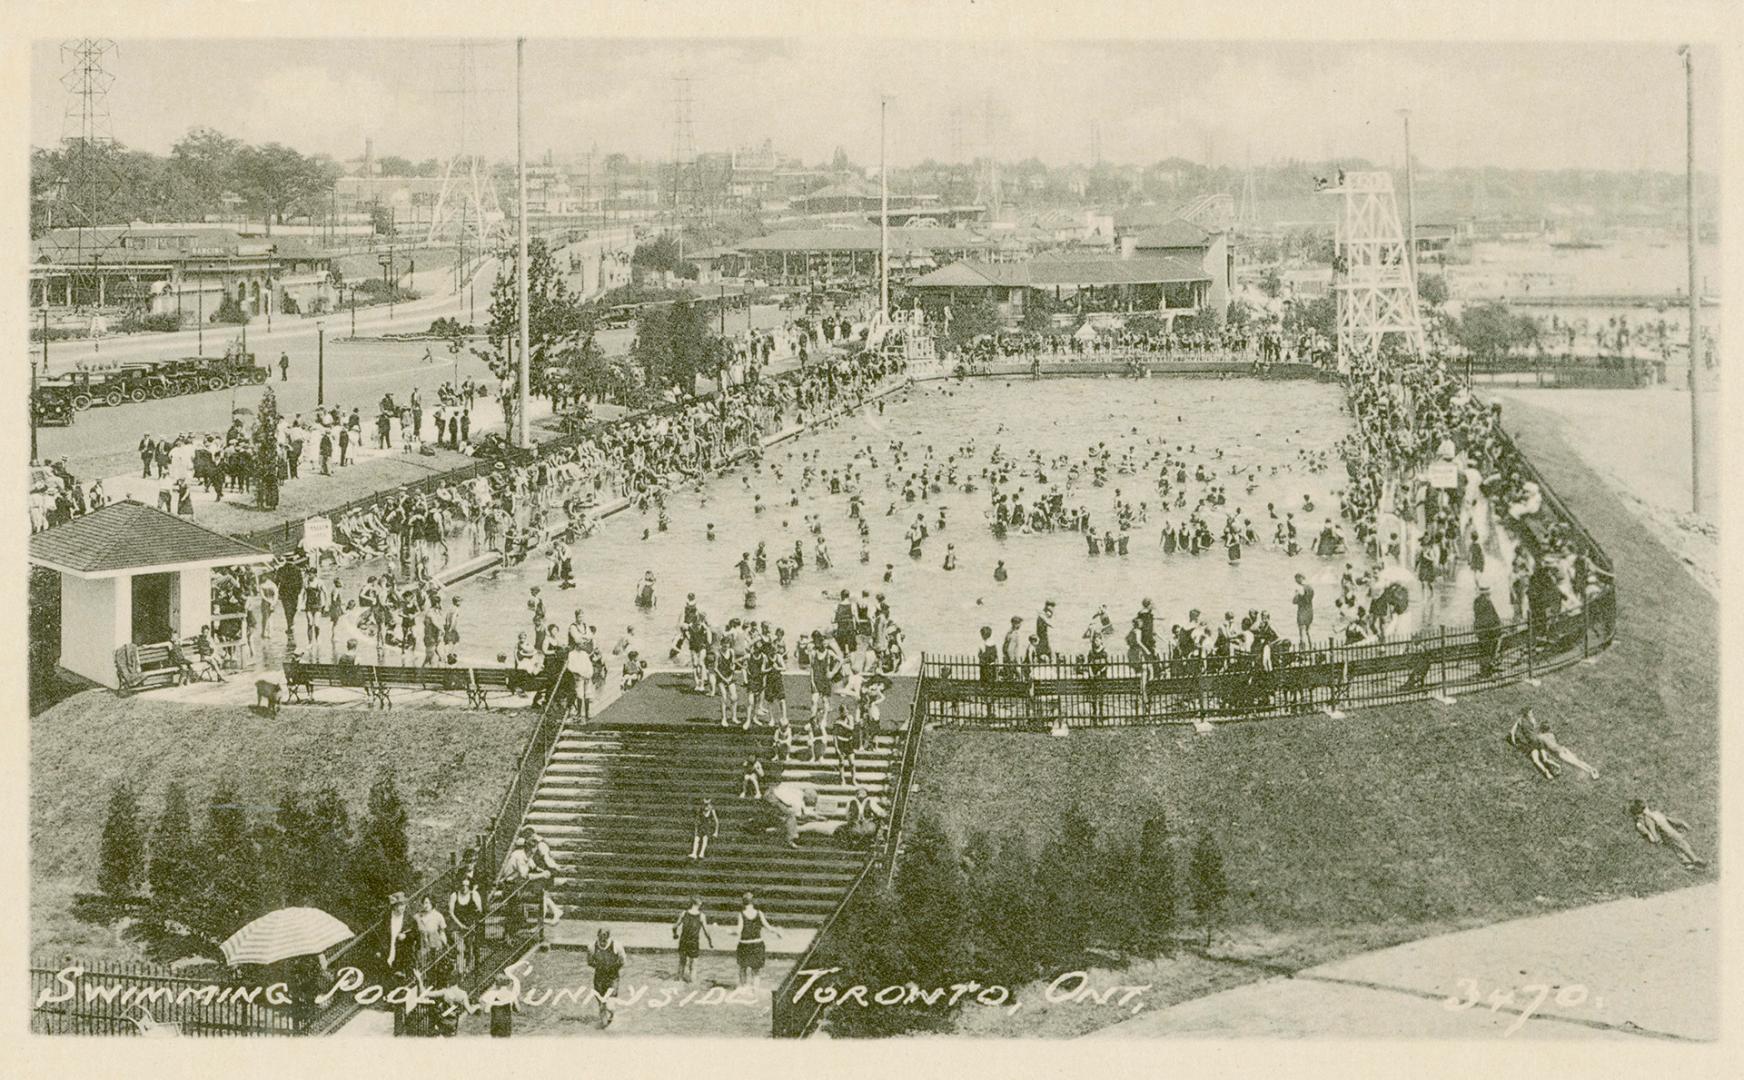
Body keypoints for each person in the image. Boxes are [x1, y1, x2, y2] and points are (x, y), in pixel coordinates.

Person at [1629, 799, 1707, 869]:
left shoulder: (1653, 814)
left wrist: (1681, 823)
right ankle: (1694, 858)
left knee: (1676, 847)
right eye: (1645, 807)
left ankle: (1687, 863)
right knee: (1682, 844)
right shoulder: (1648, 818)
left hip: (1666, 834)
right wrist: (1653, 836)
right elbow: (1650, 827)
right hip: (1668, 832)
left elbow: (1668, 819)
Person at [734, 892, 780, 991]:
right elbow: (768, 927)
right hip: (757, 944)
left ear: (743, 902)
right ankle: (756, 989)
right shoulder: (759, 913)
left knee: (743, 968)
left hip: (745, 944)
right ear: (753, 902)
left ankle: (743, 988)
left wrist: (730, 932)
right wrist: (777, 932)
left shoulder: (741, 914)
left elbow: (738, 931)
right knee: (756, 970)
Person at [586, 928, 627, 1028]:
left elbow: (622, 961)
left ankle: (612, 1015)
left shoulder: (616, 946)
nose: (603, 942)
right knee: (602, 1005)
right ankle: (603, 1027)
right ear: (598, 937)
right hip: (599, 976)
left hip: (613, 976)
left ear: (608, 938)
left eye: (605, 940)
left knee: (610, 1006)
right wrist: (601, 967)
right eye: (600, 939)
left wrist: (612, 968)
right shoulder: (592, 947)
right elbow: (589, 962)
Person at [673, 898, 714, 984]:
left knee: (682, 963)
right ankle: (693, 984)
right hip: (694, 942)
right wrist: (710, 942)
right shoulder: (701, 916)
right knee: (693, 966)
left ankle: (678, 982)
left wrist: (675, 934)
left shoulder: (684, 913)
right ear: (700, 904)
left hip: (683, 940)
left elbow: (675, 926)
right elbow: (706, 932)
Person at [1293, 573, 1315, 646]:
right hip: (1309, 611)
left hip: (1302, 612)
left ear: (1300, 578)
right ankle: (1312, 647)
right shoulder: (1310, 588)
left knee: (1302, 632)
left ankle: (1303, 651)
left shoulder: (1300, 588)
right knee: (1309, 631)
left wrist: (1296, 594)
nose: (1296, 581)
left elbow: (1294, 601)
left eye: (1296, 579)